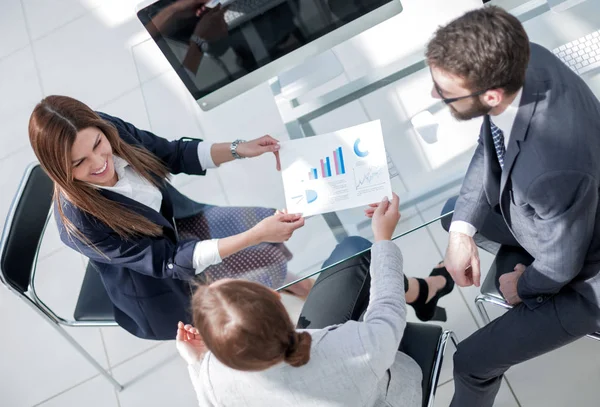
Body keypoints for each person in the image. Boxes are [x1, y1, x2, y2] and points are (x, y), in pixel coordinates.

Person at [425, 6, 600, 406]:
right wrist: (461, 231)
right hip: (567, 217)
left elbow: (563, 262)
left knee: (470, 361)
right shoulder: (524, 57)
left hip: (587, 277)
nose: (434, 95)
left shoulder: (550, 169)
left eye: (444, 90)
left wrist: (522, 285)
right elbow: (491, 143)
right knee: (454, 214)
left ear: (490, 95)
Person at [28, 95, 308, 341]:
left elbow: (170, 153)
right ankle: (288, 299)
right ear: (59, 169)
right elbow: (168, 260)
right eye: (79, 162)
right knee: (264, 262)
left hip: (179, 224)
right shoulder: (79, 224)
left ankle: (297, 288)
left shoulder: (107, 129)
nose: (100, 162)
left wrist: (239, 149)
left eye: (98, 144)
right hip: (163, 282)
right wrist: (256, 236)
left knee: (264, 231)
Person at [175, 193, 455, 407]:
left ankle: (423, 293)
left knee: (353, 252)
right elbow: (387, 316)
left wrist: (196, 363)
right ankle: (426, 290)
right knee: (358, 251)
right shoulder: (351, 347)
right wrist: (383, 238)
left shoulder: (214, 378)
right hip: (387, 396)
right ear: (276, 298)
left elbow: (211, 399)